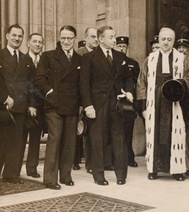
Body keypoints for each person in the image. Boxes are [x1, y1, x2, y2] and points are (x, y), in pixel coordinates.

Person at [136, 27, 189, 181]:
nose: (166, 42)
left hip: (175, 104)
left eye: (169, 39)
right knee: (155, 135)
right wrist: (143, 108)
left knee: (174, 135)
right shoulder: (150, 59)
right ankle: (154, 169)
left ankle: (177, 170)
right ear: (159, 40)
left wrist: (180, 85)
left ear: (173, 41)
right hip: (155, 104)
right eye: (163, 39)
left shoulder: (182, 59)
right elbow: (141, 83)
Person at [80, 25, 134, 186]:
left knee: (119, 139)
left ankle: (121, 175)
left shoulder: (120, 57)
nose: (114, 39)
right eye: (111, 37)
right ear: (101, 39)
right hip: (98, 105)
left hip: (117, 104)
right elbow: (84, 84)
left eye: (115, 36)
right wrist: (88, 106)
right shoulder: (89, 58)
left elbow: (129, 78)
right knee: (97, 140)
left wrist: (129, 92)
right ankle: (99, 175)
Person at [35, 25, 82, 190]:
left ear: (74, 39)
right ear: (59, 38)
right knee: (54, 140)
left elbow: (81, 84)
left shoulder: (79, 59)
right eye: (63, 38)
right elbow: (39, 78)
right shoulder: (48, 56)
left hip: (72, 105)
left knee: (70, 142)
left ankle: (66, 176)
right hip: (53, 105)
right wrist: (50, 92)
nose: (66, 41)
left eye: (70, 38)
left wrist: (81, 105)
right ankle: (49, 179)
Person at [0, 24, 36, 184]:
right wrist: (4, 97)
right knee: (2, 140)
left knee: (17, 142)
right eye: (14, 35)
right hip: (3, 106)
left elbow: (31, 84)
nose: (17, 38)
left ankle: (11, 174)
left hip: (21, 106)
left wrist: (31, 104)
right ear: (7, 36)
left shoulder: (25, 59)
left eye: (20, 36)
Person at [73, 27, 99, 173]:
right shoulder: (79, 54)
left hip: (94, 99)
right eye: (92, 36)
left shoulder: (99, 54)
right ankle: (74, 161)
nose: (95, 39)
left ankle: (90, 164)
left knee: (91, 133)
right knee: (77, 131)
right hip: (79, 99)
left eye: (97, 37)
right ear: (86, 37)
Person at [115, 36, 141, 167]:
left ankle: (129, 157)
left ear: (127, 47)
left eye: (124, 46)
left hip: (128, 103)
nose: (121, 48)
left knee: (129, 128)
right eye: (119, 46)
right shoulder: (113, 60)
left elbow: (136, 83)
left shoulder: (133, 63)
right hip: (115, 101)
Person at [23, 33, 45, 178]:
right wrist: (30, 104)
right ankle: (13, 169)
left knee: (36, 138)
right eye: (35, 41)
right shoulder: (23, 59)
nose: (37, 44)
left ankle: (32, 168)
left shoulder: (44, 60)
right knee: (20, 138)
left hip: (41, 106)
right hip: (25, 105)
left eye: (40, 42)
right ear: (28, 43)